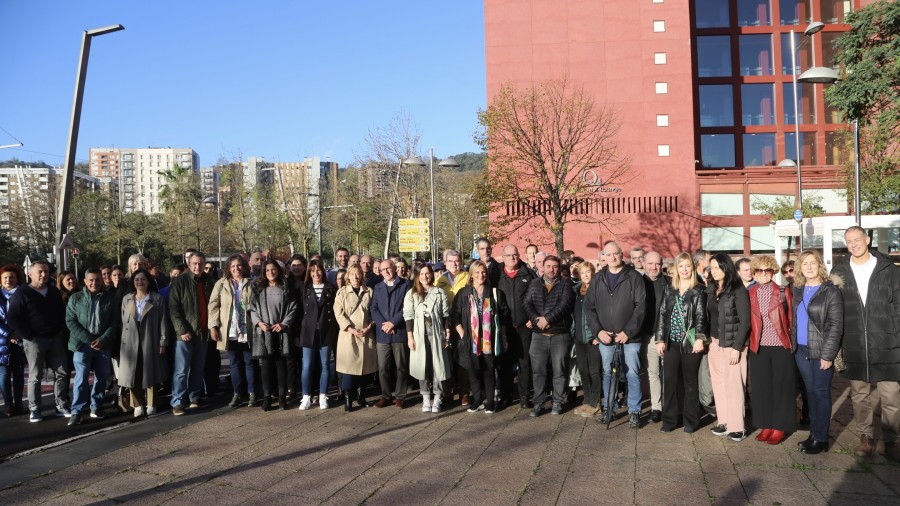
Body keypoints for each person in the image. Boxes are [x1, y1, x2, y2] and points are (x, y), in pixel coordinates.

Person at [831, 226, 900, 460]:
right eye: (849, 241)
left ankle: (891, 440)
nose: (853, 244)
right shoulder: (839, 271)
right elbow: (835, 308)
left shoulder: (888, 269)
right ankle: (865, 437)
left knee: (891, 395)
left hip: (887, 343)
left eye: (857, 239)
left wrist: (897, 333)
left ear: (867, 240)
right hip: (854, 343)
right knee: (859, 395)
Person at [585, 242, 647, 428]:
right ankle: (609, 408)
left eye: (616, 254)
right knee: (607, 373)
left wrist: (628, 332)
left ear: (622, 254)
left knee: (632, 373)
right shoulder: (598, 278)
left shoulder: (634, 277)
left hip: (629, 338)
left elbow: (641, 307)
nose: (612, 258)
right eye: (609, 254)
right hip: (606, 337)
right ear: (605, 256)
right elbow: (589, 307)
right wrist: (598, 331)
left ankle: (634, 411)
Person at [791, 250, 844, 454]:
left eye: (813, 263)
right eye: (805, 264)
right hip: (801, 349)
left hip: (821, 351)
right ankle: (814, 434)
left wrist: (828, 355)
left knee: (820, 393)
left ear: (819, 265)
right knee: (810, 393)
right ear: (800, 268)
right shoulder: (798, 289)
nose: (809, 267)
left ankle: (821, 438)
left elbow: (836, 325)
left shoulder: (830, 291)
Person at [7, 261, 70, 422]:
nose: (44, 275)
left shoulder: (54, 292)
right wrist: (27, 335)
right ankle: (34, 409)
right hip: (34, 341)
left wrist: (62, 332)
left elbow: (62, 314)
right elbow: (13, 318)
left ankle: (61, 405)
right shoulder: (21, 293)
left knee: (62, 372)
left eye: (46, 272)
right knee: (35, 375)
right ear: (30, 274)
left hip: (55, 338)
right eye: (40, 272)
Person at [655, 253, 708, 433]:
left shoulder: (699, 290)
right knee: (669, 381)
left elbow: (701, 316)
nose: (684, 270)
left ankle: (690, 421)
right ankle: (669, 420)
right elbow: (662, 315)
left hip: (690, 342)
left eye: (687, 266)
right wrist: (660, 339)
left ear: (692, 269)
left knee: (690, 383)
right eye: (681, 266)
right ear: (676, 269)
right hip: (672, 342)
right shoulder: (670, 289)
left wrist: (700, 338)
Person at [747, 256, 795, 445]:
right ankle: (766, 424)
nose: (763, 274)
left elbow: (791, 319)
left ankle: (780, 426)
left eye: (767, 270)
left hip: (781, 346)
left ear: (773, 271)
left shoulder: (783, 292)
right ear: (754, 272)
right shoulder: (750, 292)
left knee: (782, 388)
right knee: (762, 388)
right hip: (759, 346)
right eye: (759, 270)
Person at [452, 261, 509, 414]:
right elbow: (454, 316)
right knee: (472, 370)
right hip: (470, 339)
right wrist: (463, 335)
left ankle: (490, 401)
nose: (480, 275)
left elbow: (503, 317)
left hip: (489, 340)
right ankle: (477, 399)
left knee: (489, 370)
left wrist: (503, 336)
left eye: (483, 272)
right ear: (471, 275)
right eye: (477, 272)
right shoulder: (463, 293)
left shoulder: (495, 293)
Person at [65, 267, 119, 425]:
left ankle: (97, 406)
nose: (94, 283)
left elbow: (115, 322)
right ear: (85, 281)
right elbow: (70, 321)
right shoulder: (76, 298)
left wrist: (103, 339)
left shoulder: (110, 298)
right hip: (82, 344)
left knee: (101, 377)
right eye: (91, 280)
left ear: (101, 280)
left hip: (103, 343)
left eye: (97, 280)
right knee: (81, 378)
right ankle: (77, 411)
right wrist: (89, 339)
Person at [706, 253, 751, 442]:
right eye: (712, 268)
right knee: (719, 385)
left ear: (726, 267)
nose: (714, 271)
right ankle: (723, 422)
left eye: (717, 267)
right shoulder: (712, 288)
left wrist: (737, 347)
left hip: (733, 345)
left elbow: (745, 321)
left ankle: (737, 427)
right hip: (715, 344)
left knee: (734, 386)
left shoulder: (738, 289)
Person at [524, 255, 575, 417]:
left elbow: (565, 304)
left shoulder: (565, 283)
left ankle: (558, 401)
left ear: (559, 268)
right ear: (542, 267)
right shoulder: (534, 284)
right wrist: (535, 319)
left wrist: (547, 319)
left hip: (559, 334)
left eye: (555, 266)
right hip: (539, 335)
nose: (551, 269)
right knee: (538, 371)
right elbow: (527, 303)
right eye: (548, 266)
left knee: (559, 370)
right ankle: (538, 403)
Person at [168, 252, 214, 416]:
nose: (198, 266)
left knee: (198, 368)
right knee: (181, 370)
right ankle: (178, 402)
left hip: (202, 333)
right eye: (195, 263)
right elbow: (174, 309)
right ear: (188, 264)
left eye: (201, 263)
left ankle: (195, 397)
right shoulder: (179, 282)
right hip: (185, 334)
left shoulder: (209, 281)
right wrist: (182, 330)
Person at [119, 269, 169, 417]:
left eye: (143, 279)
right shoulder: (126, 299)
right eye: (136, 280)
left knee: (150, 372)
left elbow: (163, 321)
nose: (139, 282)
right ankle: (137, 405)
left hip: (150, 338)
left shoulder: (156, 298)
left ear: (148, 282)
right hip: (129, 342)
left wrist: (163, 341)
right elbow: (123, 321)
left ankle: (151, 404)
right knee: (132, 375)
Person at [209, 254, 256, 408]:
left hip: (247, 329)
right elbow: (213, 305)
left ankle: (252, 393)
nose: (236, 268)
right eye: (233, 266)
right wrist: (213, 326)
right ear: (228, 268)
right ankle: (237, 393)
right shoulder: (221, 284)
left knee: (249, 362)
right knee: (234, 363)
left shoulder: (252, 283)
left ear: (244, 266)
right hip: (229, 330)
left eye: (239, 265)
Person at [404, 263, 452, 413]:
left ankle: (437, 397)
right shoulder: (411, 294)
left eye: (428, 273)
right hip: (419, 335)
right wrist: (410, 337)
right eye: (422, 274)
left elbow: (445, 316)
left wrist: (447, 335)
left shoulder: (439, 292)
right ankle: (425, 397)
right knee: (422, 367)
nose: (425, 276)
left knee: (438, 366)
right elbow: (408, 317)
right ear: (417, 276)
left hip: (437, 334)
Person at [250, 259, 297, 411]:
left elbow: (293, 308)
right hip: (265, 332)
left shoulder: (286, 286)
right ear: (264, 272)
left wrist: (284, 323)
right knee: (266, 366)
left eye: (274, 269)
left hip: (281, 331)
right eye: (268, 270)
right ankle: (267, 398)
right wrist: (259, 323)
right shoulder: (258, 288)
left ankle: (282, 397)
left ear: (279, 270)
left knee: (281, 364)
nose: (271, 272)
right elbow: (252, 309)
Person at [497, 244, 537, 408]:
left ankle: (524, 397)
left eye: (515, 255)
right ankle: (506, 395)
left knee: (524, 362)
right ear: (503, 257)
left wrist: (532, 317)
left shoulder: (528, 273)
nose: (512, 258)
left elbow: (538, 296)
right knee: (504, 362)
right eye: (508, 255)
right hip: (504, 326)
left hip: (524, 326)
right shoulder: (496, 275)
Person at [333, 264, 376, 412]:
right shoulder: (342, 292)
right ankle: (347, 398)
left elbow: (374, 311)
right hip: (348, 335)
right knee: (349, 370)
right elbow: (338, 313)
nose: (355, 277)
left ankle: (361, 395)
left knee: (365, 369)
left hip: (365, 334)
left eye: (358, 274)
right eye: (352, 275)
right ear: (348, 277)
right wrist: (350, 329)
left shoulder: (369, 291)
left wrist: (369, 327)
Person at [297, 258, 338, 410]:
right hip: (308, 332)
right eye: (313, 271)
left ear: (323, 271)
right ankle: (306, 396)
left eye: (319, 270)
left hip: (325, 331)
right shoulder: (304, 288)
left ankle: (323, 396)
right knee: (306, 365)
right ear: (309, 272)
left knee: (325, 365)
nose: (316, 273)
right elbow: (299, 312)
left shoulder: (330, 288)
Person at [371, 259, 411, 408]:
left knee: (401, 366)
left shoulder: (405, 285)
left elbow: (407, 307)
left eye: (388, 268)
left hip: (399, 331)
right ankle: (386, 396)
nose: (386, 272)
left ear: (394, 268)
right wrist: (384, 325)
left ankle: (400, 396)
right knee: (383, 367)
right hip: (383, 333)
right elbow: (373, 309)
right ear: (380, 272)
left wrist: (393, 323)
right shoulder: (378, 287)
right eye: (383, 270)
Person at [572, 262, 602, 418]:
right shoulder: (576, 291)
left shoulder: (598, 290)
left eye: (588, 272)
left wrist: (598, 334)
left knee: (594, 370)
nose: (585, 275)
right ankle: (587, 399)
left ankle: (596, 402)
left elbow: (602, 314)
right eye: (582, 273)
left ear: (593, 273)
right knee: (583, 370)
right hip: (579, 336)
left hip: (593, 337)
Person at [642, 251, 668, 423]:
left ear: (662, 264)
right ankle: (656, 407)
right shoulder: (637, 283)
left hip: (666, 336)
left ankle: (670, 405)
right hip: (647, 335)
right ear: (644, 264)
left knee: (669, 373)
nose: (653, 267)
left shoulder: (670, 283)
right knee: (653, 373)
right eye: (650, 263)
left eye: (657, 264)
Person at [0, 265, 26, 417]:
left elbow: (29, 316)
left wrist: (19, 333)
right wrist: (10, 334)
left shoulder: (23, 294)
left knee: (18, 374)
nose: (9, 280)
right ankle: (8, 405)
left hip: (21, 340)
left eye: (12, 277)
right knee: (3, 375)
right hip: (2, 341)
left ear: (17, 279)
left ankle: (19, 404)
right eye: (5, 278)